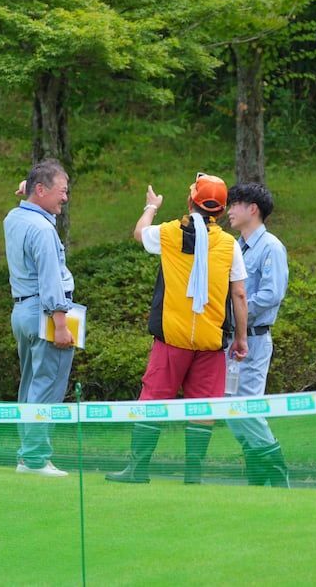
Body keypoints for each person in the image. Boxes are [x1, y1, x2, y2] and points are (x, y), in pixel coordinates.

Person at [106, 173, 248, 485]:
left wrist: (151, 207)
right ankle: (193, 474)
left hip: (172, 338)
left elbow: (139, 233)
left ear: (190, 201)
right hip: (211, 341)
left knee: (154, 399)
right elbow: (238, 294)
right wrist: (241, 337)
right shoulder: (229, 245)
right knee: (203, 406)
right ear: (221, 211)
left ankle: (138, 469)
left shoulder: (170, 233)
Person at [5, 160, 77, 477]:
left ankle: (27, 457)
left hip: (22, 311)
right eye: (61, 191)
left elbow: (32, 202)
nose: (65, 198)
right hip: (46, 312)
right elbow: (51, 281)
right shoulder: (43, 229)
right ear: (41, 190)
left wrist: (30, 192)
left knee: (31, 386)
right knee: (47, 388)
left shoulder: (15, 217)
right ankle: (35, 460)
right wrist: (61, 325)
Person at [226, 181, 292, 487]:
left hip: (254, 338)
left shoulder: (271, 247)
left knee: (248, 408)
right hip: (232, 341)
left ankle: (278, 476)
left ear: (253, 209)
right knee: (230, 409)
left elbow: (271, 295)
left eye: (235, 204)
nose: (229, 211)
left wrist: (235, 312)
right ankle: (258, 476)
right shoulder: (235, 248)